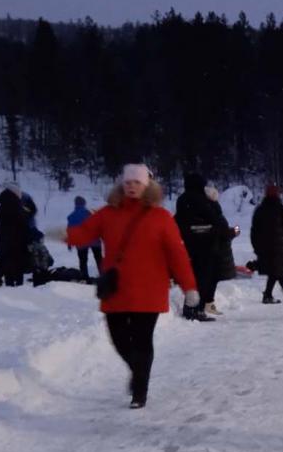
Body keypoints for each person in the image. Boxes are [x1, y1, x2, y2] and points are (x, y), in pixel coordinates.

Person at [66, 164, 200, 409]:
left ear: (146, 186)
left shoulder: (161, 217)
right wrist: (65, 235)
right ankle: (137, 371)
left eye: (137, 182)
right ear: (121, 184)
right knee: (118, 339)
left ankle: (140, 390)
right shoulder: (108, 213)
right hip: (117, 289)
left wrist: (188, 286)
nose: (131, 186)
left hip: (149, 290)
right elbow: (85, 233)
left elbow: (177, 254)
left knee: (141, 339)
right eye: (128, 182)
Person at [174, 173, 224, 321]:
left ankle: (189, 307)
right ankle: (197, 309)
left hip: (188, 242)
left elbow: (179, 219)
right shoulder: (202, 200)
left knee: (192, 276)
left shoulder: (182, 199)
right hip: (206, 243)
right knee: (203, 277)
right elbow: (215, 218)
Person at [252, 184, 283, 303]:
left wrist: (256, 247)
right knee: (276, 270)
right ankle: (270, 294)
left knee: (275, 270)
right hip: (279, 246)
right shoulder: (281, 209)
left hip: (264, 247)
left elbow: (254, 230)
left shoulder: (260, 209)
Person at [0, 187, 32, 287]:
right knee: (19, 270)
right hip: (18, 244)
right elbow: (25, 228)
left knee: (8, 271)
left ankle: (9, 287)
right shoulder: (19, 208)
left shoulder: (1, 208)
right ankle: (18, 289)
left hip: (4, 244)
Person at [66, 196, 103, 281]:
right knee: (99, 259)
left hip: (81, 242)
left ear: (75, 204)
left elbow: (70, 231)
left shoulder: (71, 216)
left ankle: (84, 278)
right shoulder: (90, 213)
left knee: (83, 261)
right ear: (84, 203)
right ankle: (103, 276)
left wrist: (69, 243)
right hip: (95, 240)